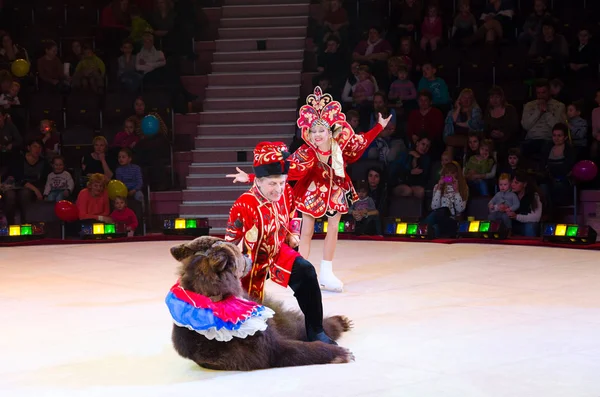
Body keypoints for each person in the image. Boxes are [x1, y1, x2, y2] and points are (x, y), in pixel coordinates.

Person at [225, 142, 337, 345]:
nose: (278, 189)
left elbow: (293, 216)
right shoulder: (243, 205)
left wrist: (293, 234)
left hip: (276, 251)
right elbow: (229, 245)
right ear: (258, 181)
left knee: (306, 271)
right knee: (246, 314)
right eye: (272, 184)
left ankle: (316, 331)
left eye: (282, 183)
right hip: (248, 263)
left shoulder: (286, 193)